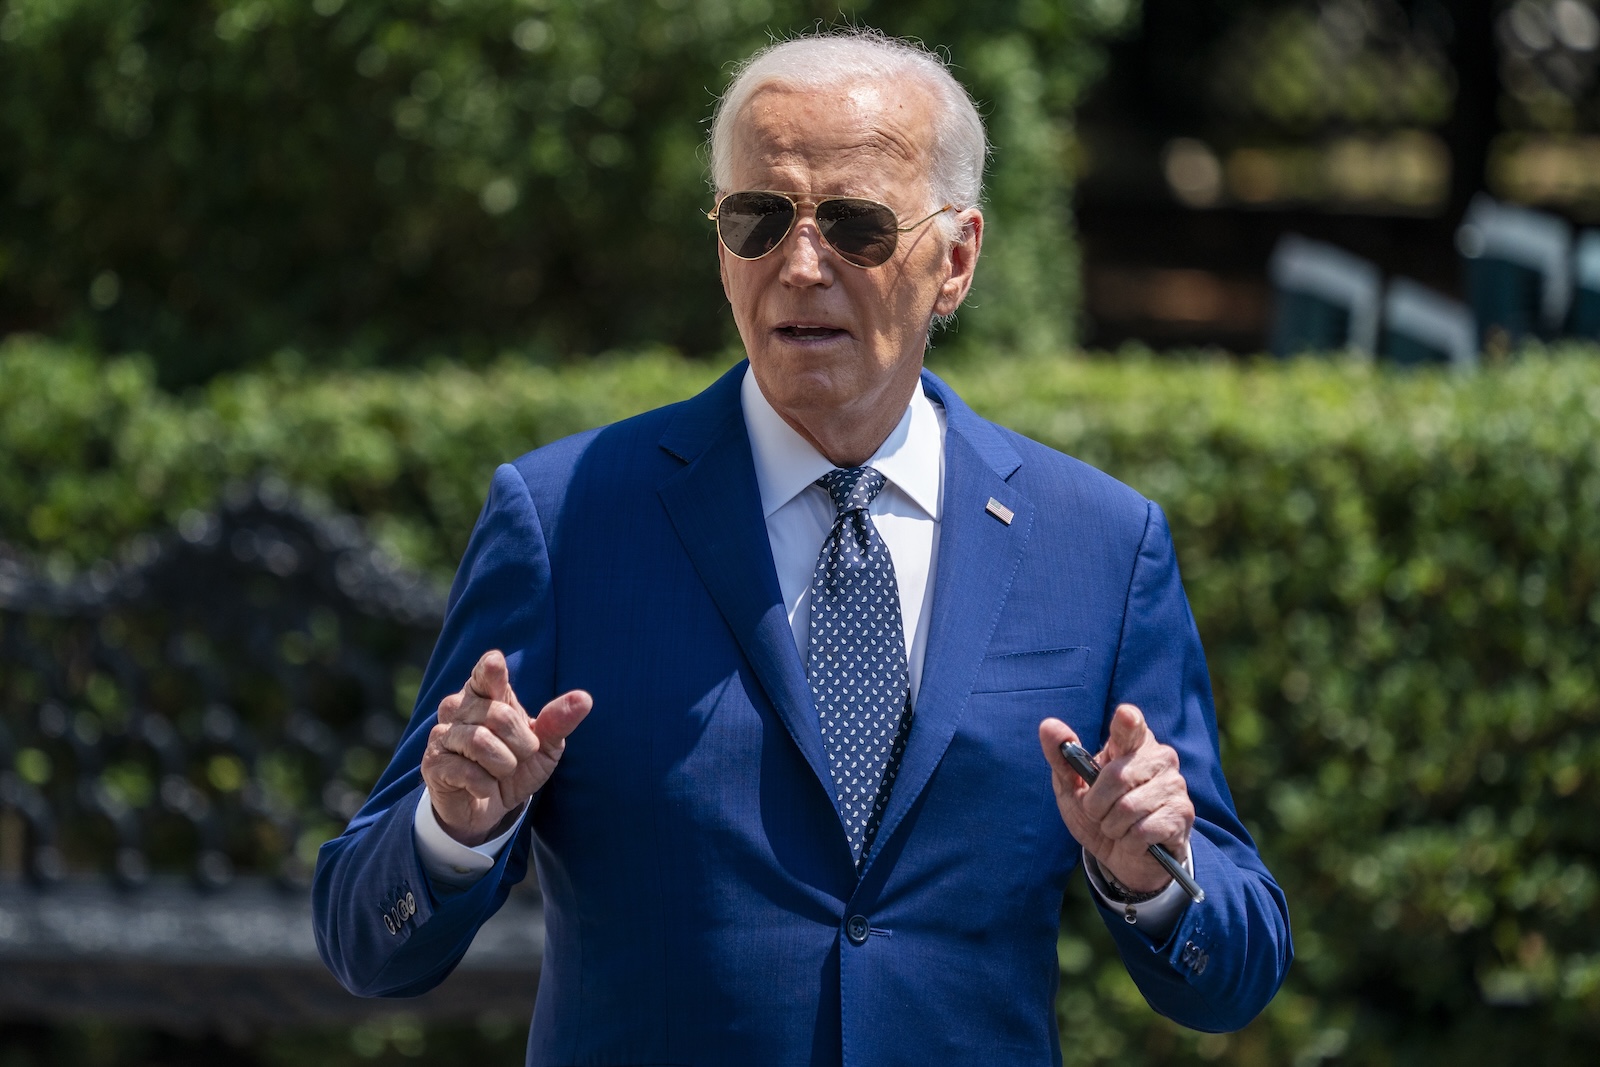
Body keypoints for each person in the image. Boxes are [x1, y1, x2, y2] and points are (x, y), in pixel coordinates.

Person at [312, 29, 1291, 1066]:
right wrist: (453, 829)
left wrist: (1152, 874)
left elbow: (1235, 967)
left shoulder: (1095, 542)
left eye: (858, 226)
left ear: (954, 260)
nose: (800, 263)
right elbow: (363, 940)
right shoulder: (565, 517)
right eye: (757, 219)